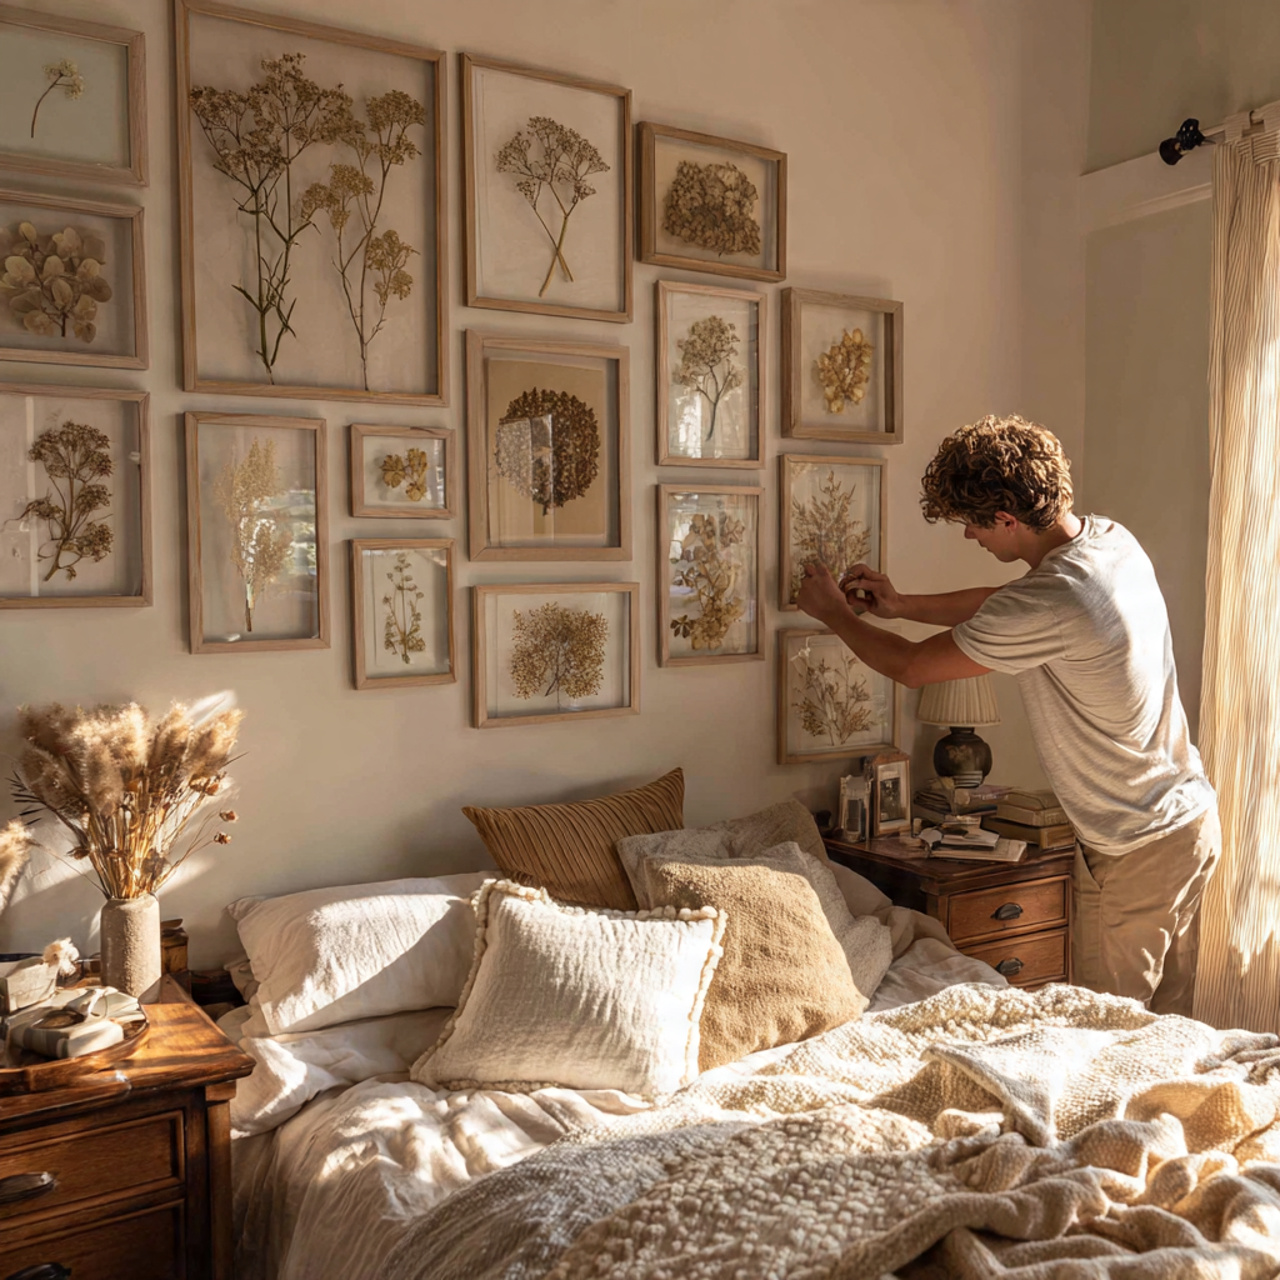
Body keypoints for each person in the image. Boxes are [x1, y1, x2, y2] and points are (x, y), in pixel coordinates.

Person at [795, 414, 1219, 1016]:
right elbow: (1008, 604)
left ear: (1006, 520)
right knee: (1173, 1028)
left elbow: (915, 668)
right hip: (1186, 821)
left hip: (1138, 848)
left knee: (1108, 1030)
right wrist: (902, 604)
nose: (970, 537)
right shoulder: (1107, 541)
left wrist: (837, 615)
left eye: (971, 524)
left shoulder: (1056, 599)